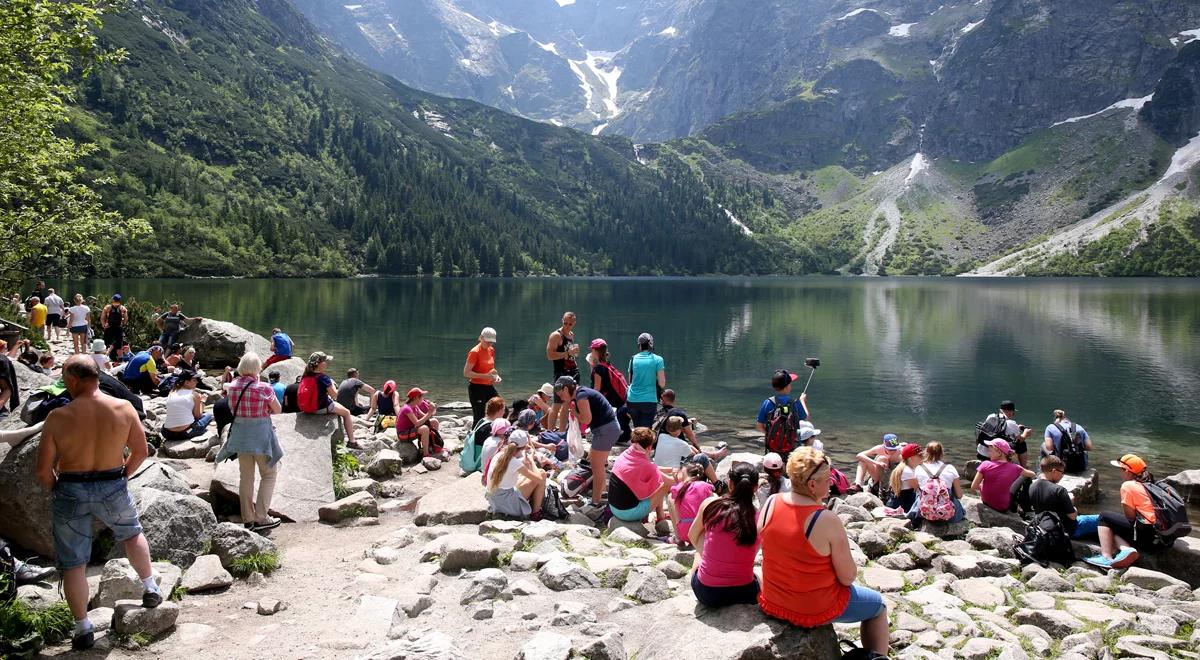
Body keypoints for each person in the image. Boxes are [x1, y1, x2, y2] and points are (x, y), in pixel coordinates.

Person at [34, 355, 162, 651]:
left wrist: (58, 489)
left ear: (75, 380)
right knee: (131, 533)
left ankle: (83, 629)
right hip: (112, 482)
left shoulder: (58, 417)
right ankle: (150, 587)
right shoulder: (124, 407)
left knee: (74, 562)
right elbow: (141, 451)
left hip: (71, 487)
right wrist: (122, 476)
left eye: (65, 378)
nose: (64, 383)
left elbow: (43, 471)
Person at [758, 448, 889, 657]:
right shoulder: (825, 519)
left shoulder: (772, 502)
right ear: (812, 485)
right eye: (827, 479)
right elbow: (847, 578)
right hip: (811, 607)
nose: (831, 482)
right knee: (878, 606)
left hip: (775, 599)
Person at [215, 352, 284, 533]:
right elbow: (277, 410)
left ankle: (248, 518)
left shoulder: (233, 387)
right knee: (268, 474)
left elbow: (231, 409)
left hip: (241, 436)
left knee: (246, 477)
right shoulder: (264, 388)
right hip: (260, 436)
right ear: (257, 368)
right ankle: (261, 517)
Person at [689, 462, 761, 606]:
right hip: (746, 593)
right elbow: (752, 553)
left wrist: (705, 554)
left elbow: (692, 535)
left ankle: (708, 566)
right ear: (756, 488)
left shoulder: (711, 504)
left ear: (730, 483)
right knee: (759, 575)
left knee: (701, 543)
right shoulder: (760, 518)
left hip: (708, 593)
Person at [554, 375, 621, 510]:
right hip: (608, 429)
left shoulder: (581, 396)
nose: (561, 398)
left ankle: (595, 502)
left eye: (561, 394)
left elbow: (586, 420)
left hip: (605, 430)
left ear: (566, 389)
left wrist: (574, 412)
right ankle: (601, 494)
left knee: (597, 467)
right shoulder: (582, 392)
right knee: (596, 463)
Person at [1084, 454, 1161, 569]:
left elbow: (1130, 517)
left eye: (1121, 469)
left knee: (1104, 517)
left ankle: (1106, 557)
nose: (1120, 472)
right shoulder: (1151, 484)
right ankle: (1126, 549)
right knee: (1115, 523)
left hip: (1144, 536)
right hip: (1158, 537)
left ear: (1127, 471)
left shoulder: (1128, 485)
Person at [608, 427, 675, 523]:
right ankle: (661, 518)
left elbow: (652, 468)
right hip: (627, 513)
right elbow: (670, 482)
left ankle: (660, 517)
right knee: (664, 485)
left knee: (658, 480)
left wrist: (671, 469)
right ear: (649, 447)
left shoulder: (627, 454)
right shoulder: (645, 465)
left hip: (614, 508)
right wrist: (684, 475)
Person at [1029, 455, 1099, 539]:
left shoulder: (1032, 486)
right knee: (1104, 518)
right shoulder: (1059, 490)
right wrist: (1071, 503)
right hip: (1068, 530)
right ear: (1054, 471)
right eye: (1061, 472)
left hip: (1045, 528)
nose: (1062, 475)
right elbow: (1073, 516)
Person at [485, 429, 547, 519]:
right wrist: (531, 461)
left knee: (526, 476)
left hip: (494, 498)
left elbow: (513, 467)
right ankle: (535, 513)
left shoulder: (499, 455)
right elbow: (539, 479)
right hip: (506, 501)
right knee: (542, 473)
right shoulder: (514, 462)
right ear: (523, 447)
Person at [300, 352, 357, 446]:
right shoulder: (324, 378)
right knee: (346, 413)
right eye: (325, 361)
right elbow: (335, 396)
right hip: (320, 408)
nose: (327, 363)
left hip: (306, 407)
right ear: (319, 364)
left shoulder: (305, 375)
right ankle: (352, 441)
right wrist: (332, 384)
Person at [756, 369, 810, 460]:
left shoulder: (768, 402)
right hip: (791, 446)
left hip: (772, 447)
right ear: (788, 386)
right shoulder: (795, 403)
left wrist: (771, 434)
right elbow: (806, 417)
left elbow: (759, 426)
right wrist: (802, 401)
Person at [970, 439, 1036, 512]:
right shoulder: (1015, 467)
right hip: (1002, 507)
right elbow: (1033, 474)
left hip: (986, 502)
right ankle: (1025, 508)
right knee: (1025, 477)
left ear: (999, 453)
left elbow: (973, 486)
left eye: (990, 451)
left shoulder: (985, 464)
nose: (988, 453)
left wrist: (982, 487)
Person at [589, 338, 632, 446]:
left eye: (592, 350)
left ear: (595, 351)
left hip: (608, 403)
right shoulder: (607, 365)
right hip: (619, 402)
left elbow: (596, 390)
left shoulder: (599, 368)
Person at [910, 442, 965, 522]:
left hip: (925, 512)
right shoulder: (950, 468)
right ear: (941, 454)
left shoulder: (919, 468)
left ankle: (915, 517)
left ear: (926, 452)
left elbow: (915, 488)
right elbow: (959, 495)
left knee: (920, 494)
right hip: (947, 513)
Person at [545, 312, 580, 431]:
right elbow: (550, 356)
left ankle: (562, 431)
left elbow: (570, 354)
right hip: (560, 373)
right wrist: (568, 353)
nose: (567, 326)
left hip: (573, 371)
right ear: (562, 321)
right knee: (557, 404)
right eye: (565, 323)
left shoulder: (571, 334)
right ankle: (549, 432)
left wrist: (572, 354)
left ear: (574, 323)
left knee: (567, 405)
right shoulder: (556, 335)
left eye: (570, 324)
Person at [669, 462, 713, 548]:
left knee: (671, 498)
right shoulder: (705, 486)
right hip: (702, 532)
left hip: (685, 533)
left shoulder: (677, 488)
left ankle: (678, 538)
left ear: (684, 473)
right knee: (713, 497)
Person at [977, 400, 1033, 468]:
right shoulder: (1012, 423)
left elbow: (998, 429)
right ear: (1012, 412)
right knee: (1022, 444)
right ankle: (1024, 467)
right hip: (995, 456)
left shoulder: (991, 416)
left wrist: (1017, 427)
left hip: (981, 453)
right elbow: (1019, 440)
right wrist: (1025, 433)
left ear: (1000, 410)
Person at [161, 371, 214, 441]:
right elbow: (198, 416)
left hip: (168, 433)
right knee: (208, 415)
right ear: (186, 382)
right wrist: (202, 401)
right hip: (186, 432)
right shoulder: (194, 395)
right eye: (194, 380)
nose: (197, 382)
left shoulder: (171, 393)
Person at [626, 333, 665, 428]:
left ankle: (635, 442)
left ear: (639, 345)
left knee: (637, 429)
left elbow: (630, 382)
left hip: (632, 400)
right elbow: (662, 384)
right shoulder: (658, 359)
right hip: (649, 401)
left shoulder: (633, 359)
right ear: (651, 344)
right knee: (645, 432)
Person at [464, 327, 501, 425]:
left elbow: (491, 369)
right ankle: (475, 438)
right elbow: (466, 373)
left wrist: (496, 376)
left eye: (492, 342)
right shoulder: (474, 352)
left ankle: (493, 430)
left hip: (489, 387)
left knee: (502, 408)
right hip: (476, 387)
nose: (490, 344)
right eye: (488, 341)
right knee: (479, 416)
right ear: (481, 338)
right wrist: (486, 376)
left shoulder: (491, 350)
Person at [463, 396, 505, 474]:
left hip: (473, 456)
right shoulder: (491, 426)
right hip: (480, 462)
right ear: (498, 411)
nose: (504, 412)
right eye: (503, 410)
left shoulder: (482, 421)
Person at [396, 387, 442, 458]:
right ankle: (426, 454)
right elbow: (417, 423)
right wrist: (429, 413)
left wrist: (432, 410)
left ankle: (433, 443)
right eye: (421, 397)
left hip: (410, 430)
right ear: (416, 398)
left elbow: (426, 418)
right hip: (402, 434)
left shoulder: (415, 407)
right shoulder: (407, 408)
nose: (423, 399)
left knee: (434, 422)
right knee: (425, 429)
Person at [884, 444, 923, 514]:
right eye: (920, 455)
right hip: (901, 505)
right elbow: (918, 487)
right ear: (911, 458)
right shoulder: (907, 471)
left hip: (903, 502)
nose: (922, 457)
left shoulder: (909, 467)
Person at [100, 294, 128, 360]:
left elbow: (102, 318)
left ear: (113, 299)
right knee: (119, 345)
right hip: (118, 328)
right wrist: (122, 324)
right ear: (119, 300)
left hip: (109, 327)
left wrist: (104, 325)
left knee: (107, 343)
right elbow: (126, 319)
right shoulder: (123, 308)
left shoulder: (107, 307)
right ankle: (119, 359)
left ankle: (105, 358)